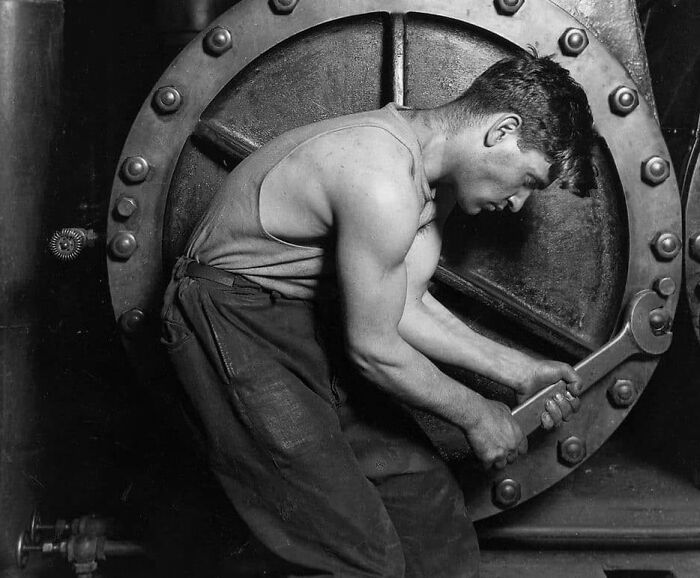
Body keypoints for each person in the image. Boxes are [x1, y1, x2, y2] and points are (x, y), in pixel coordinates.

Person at [161, 53, 596, 578]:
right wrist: (477, 413)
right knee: (361, 556)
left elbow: (403, 307)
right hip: (231, 320)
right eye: (526, 179)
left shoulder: (431, 183)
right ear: (502, 129)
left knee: (430, 517)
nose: (519, 204)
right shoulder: (381, 176)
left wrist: (520, 372)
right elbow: (372, 347)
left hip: (303, 319)